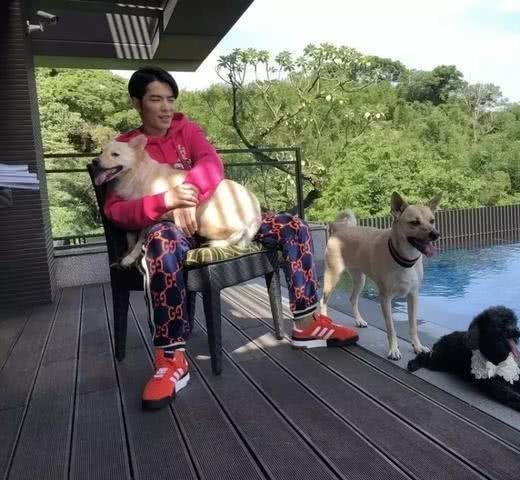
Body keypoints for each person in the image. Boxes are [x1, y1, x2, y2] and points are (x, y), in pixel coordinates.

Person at [104, 66, 359, 410]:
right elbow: (115, 211)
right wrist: (164, 203)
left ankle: (306, 323)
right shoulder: (123, 148)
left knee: (293, 226)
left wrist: (187, 195)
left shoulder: (186, 130)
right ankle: (170, 359)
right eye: (155, 100)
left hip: (216, 217)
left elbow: (211, 165)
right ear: (137, 103)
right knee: (163, 246)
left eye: (170, 99)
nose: (166, 108)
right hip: (170, 228)